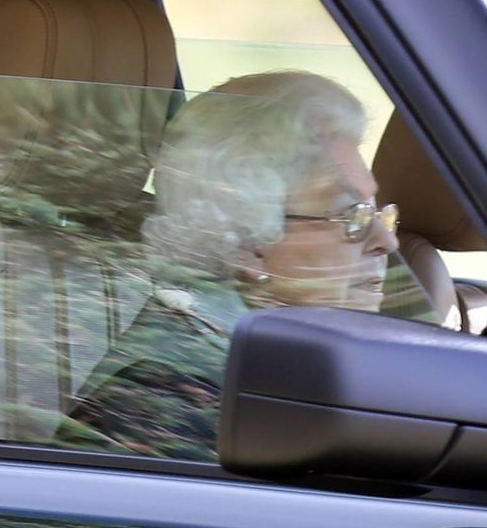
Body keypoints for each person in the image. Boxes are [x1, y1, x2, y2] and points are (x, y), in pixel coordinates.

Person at [59, 70, 399, 459]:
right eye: (350, 215)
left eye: (377, 212)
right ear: (248, 246)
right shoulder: (179, 393)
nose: (386, 241)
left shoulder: (252, 355)